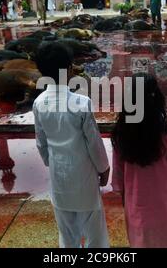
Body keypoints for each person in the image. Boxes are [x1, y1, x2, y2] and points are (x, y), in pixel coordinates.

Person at [33, 41, 110, 248]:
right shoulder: (81, 103)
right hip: (84, 178)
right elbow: (94, 142)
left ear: (43, 72)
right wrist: (104, 168)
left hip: (59, 179)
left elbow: (41, 143)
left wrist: (52, 162)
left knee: (67, 234)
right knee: (95, 233)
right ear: (68, 69)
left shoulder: (39, 103)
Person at [111, 73, 167, 248]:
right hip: (164, 203)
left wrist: (125, 199)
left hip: (135, 203)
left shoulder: (121, 133)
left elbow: (118, 174)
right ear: (156, 98)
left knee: (140, 240)